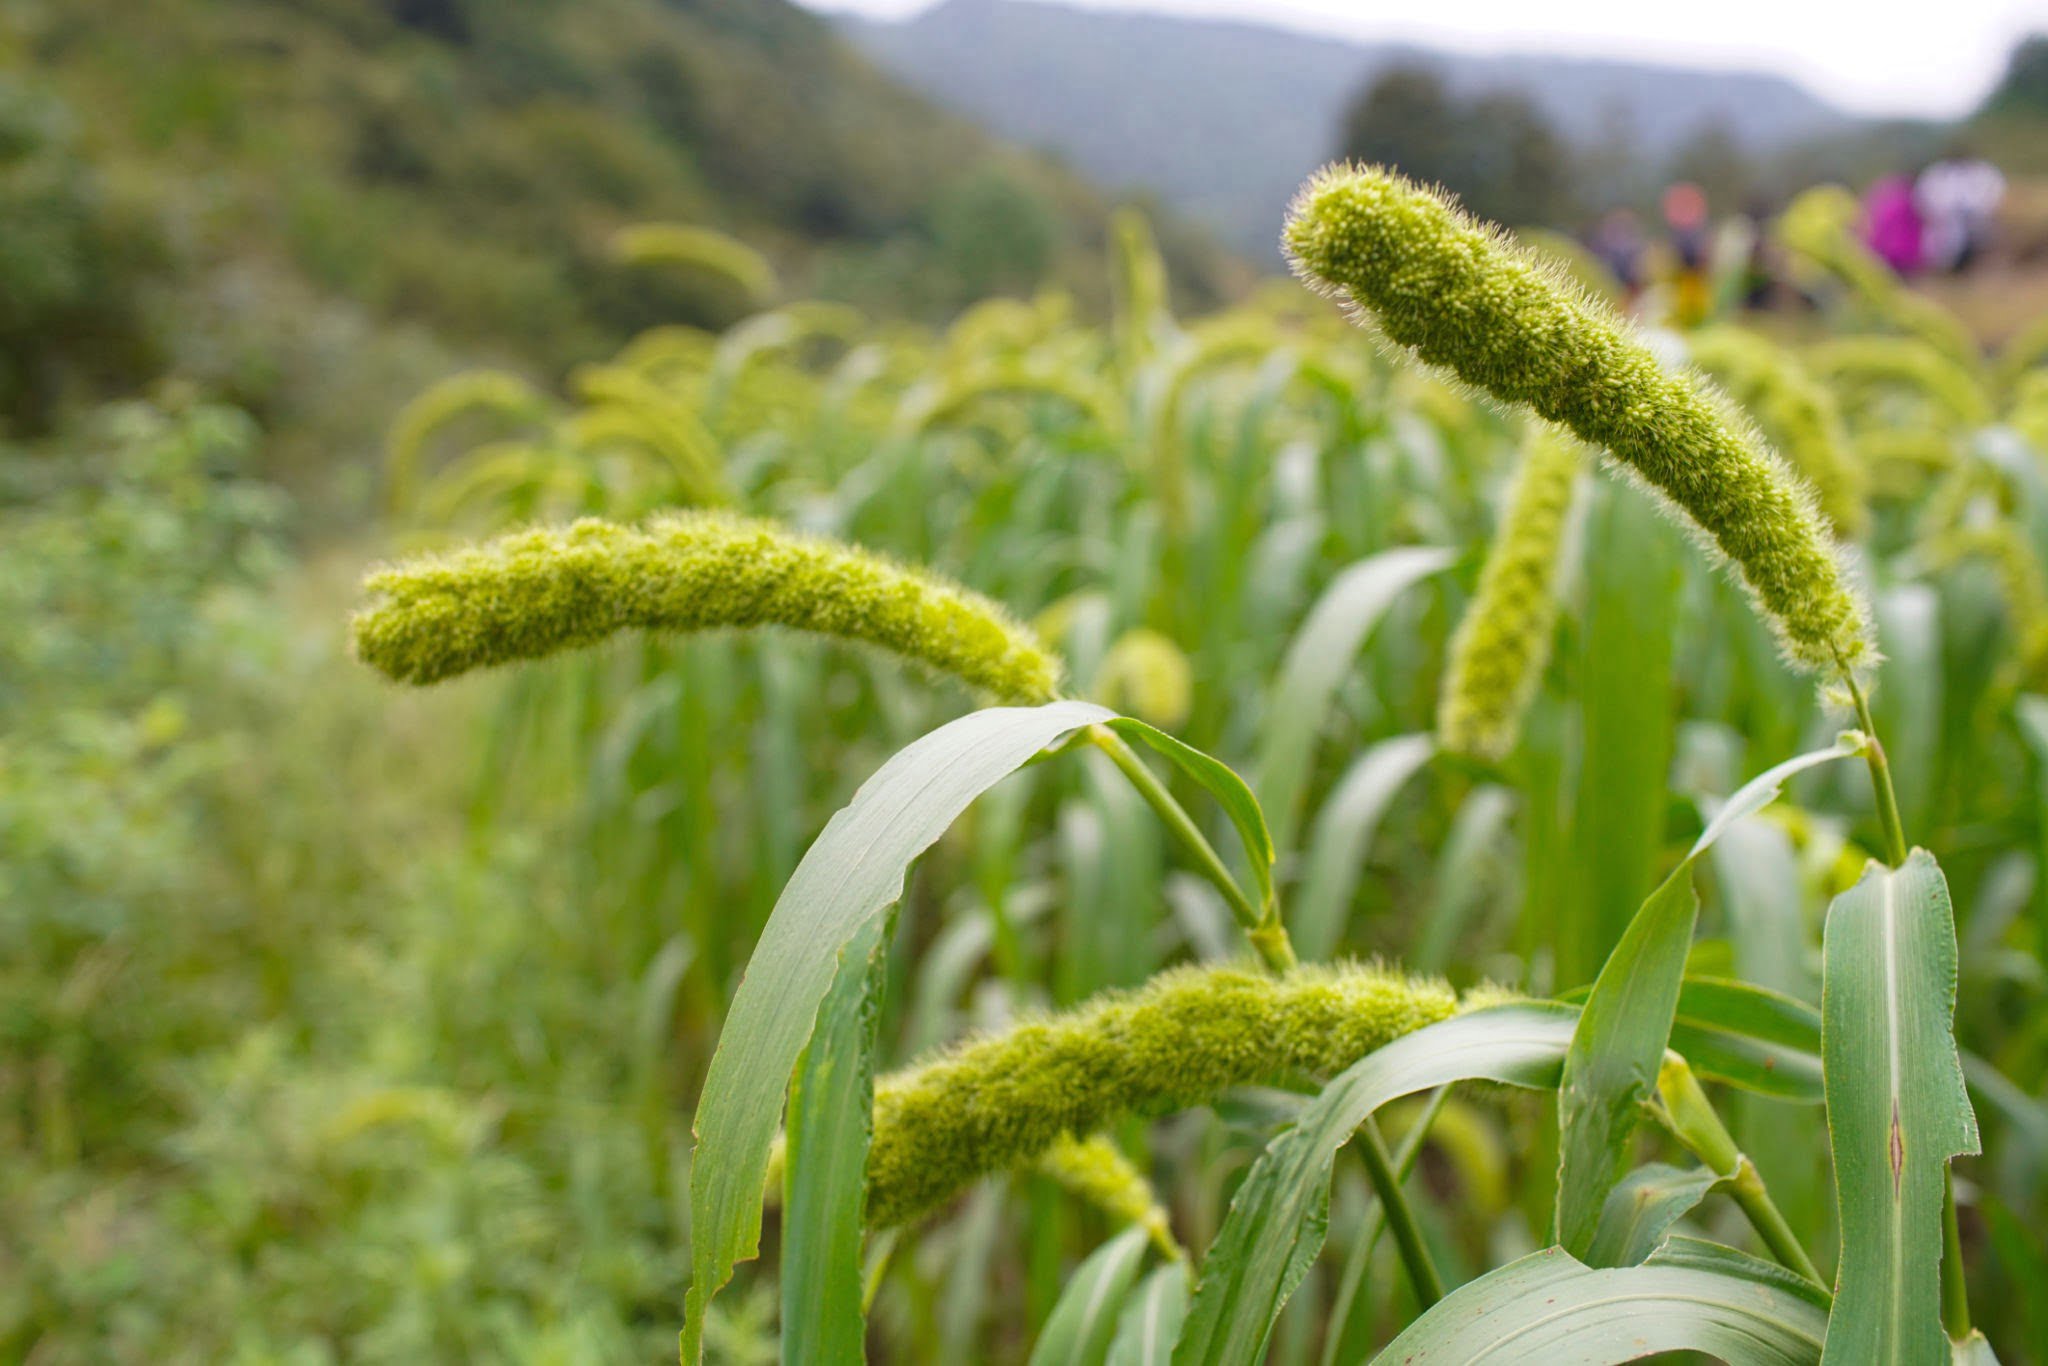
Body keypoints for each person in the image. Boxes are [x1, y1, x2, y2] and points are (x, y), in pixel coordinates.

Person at [1917, 149, 2005, 274]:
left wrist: (1981, 210)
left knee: (1977, 248)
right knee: (1947, 251)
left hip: (1975, 220)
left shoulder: (1981, 172)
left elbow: (1993, 192)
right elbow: (1927, 196)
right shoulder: (1938, 174)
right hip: (1946, 221)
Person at [1863, 174, 1925, 276]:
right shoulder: (1909, 201)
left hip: (1890, 252)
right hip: (1907, 252)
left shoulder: (1883, 205)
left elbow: (1879, 229)